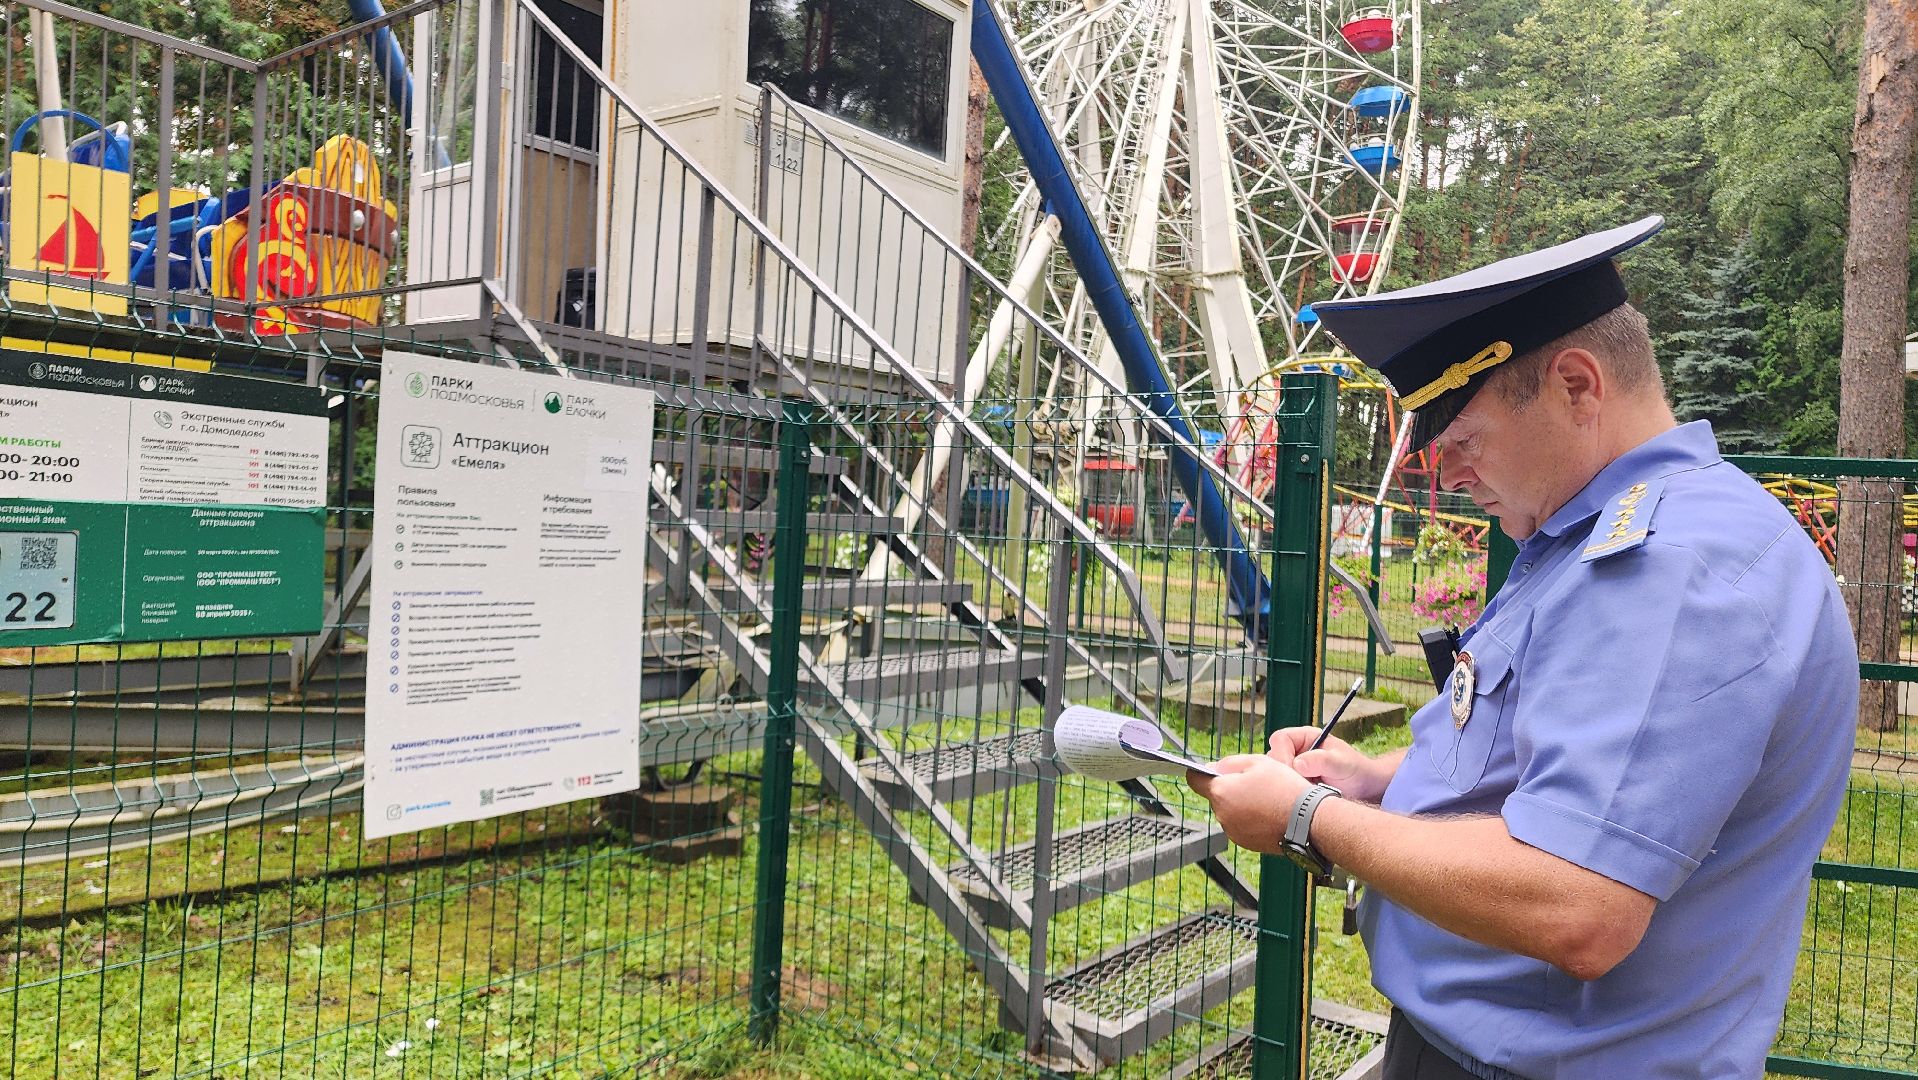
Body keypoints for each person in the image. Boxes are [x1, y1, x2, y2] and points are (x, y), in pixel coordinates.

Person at [1189, 216, 1858, 1079]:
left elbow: (1577, 901)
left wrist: (1307, 819)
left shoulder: (1667, 570)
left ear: (1577, 386)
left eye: (1462, 440)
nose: (1450, 475)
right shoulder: (1587, 536)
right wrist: (1380, 777)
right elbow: (1564, 765)